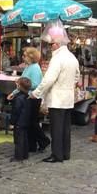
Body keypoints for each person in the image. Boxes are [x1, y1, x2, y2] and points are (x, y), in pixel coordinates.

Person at [30, 30, 80, 163]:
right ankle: (65, 153)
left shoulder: (57, 58)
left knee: (56, 128)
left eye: (51, 44)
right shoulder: (72, 57)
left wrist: (36, 93)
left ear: (57, 44)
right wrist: (69, 86)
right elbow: (76, 76)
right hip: (67, 98)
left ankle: (57, 155)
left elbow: (49, 79)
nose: (50, 46)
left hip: (57, 98)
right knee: (65, 128)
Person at [7, 47, 49, 152]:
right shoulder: (29, 67)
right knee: (30, 122)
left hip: (32, 98)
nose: (23, 57)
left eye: (25, 55)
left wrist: (22, 84)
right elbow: (23, 84)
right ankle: (33, 144)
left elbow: (34, 84)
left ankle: (43, 141)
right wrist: (14, 92)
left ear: (31, 57)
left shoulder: (34, 68)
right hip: (28, 97)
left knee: (32, 122)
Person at [11, 77, 32, 162]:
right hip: (26, 120)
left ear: (19, 86)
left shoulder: (18, 98)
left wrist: (12, 121)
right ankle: (25, 154)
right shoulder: (28, 96)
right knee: (25, 138)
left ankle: (18, 156)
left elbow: (16, 111)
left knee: (18, 139)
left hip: (19, 121)